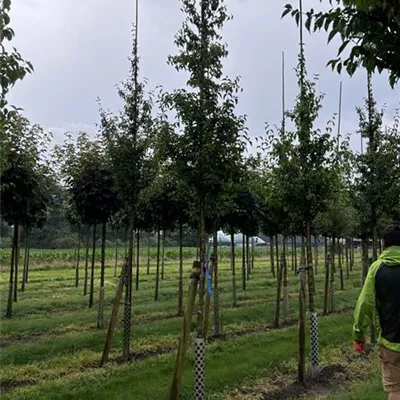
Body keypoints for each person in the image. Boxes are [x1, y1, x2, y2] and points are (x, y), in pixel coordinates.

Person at [353, 225, 400, 400]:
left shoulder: (377, 268)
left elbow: (365, 304)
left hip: (391, 341)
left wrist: (359, 334)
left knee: (395, 390)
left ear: (383, 243)